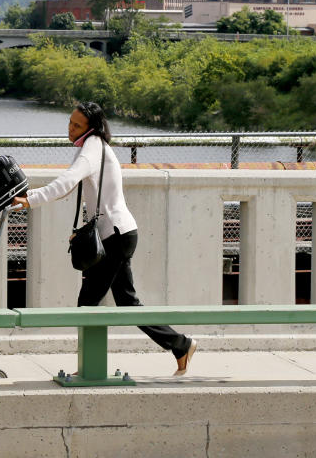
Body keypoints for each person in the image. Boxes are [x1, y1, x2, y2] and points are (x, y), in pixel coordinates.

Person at [11, 102, 197, 376]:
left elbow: (65, 183)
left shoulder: (91, 149)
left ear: (92, 128)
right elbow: (71, 189)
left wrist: (30, 200)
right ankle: (181, 345)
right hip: (119, 233)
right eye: (70, 122)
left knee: (87, 304)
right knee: (127, 302)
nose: (70, 128)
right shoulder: (94, 147)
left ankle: (91, 368)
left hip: (116, 236)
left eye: (77, 125)